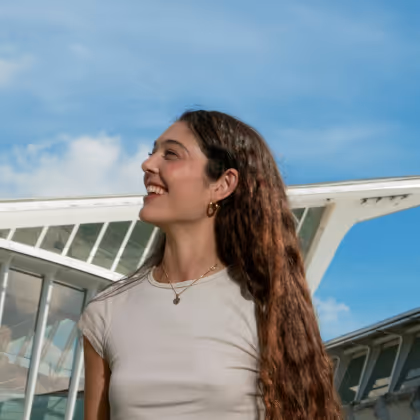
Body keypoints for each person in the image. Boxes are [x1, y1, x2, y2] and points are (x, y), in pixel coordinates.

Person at [78, 110, 342, 420]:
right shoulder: (107, 310)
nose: (147, 165)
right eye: (153, 152)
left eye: (171, 154)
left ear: (222, 184)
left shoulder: (266, 306)